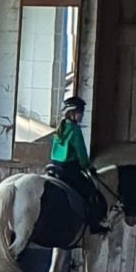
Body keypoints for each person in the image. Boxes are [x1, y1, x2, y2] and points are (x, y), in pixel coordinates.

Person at [49, 96, 105, 233]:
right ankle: (94, 225)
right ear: (72, 113)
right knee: (91, 192)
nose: (82, 116)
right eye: (80, 113)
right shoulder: (75, 130)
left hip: (54, 167)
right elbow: (82, 153)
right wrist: (88, 167)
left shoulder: (59, 129)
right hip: (69, 170)